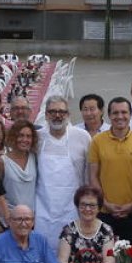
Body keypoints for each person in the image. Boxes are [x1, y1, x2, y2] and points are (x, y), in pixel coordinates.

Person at [88, 97, 132, 245]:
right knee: (106, 259)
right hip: (105, 213)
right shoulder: (97, 141)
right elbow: (93, 176)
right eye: (115, 113)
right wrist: (105, 203)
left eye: (124, 112)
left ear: (130, 115)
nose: (120, 116)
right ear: (109, 115)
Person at [35, 95, 92, 250]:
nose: (57, 115)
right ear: (46, 115)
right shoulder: (37, 138)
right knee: (44, 250)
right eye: (52, 112)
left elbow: (89, 173)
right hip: (43, 208)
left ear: (68, 115)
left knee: (71, 250)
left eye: (62, 111)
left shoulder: (82, 137)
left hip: (71, 208)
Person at [58, 186, 118, 263]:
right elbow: (61, 261)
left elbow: (110, 262)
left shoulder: (106, 230)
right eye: (83, 205)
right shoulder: (68, 230)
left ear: (99, 208)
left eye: (92, 205)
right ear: (77, 207)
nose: (87, 209)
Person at [0, 120, 39, 213]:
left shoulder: (34, 158)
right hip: (10, 219)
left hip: (31, 219)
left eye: (28, 136)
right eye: (21, 135)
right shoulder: (2, 162)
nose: (25, 139)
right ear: (13, 136)